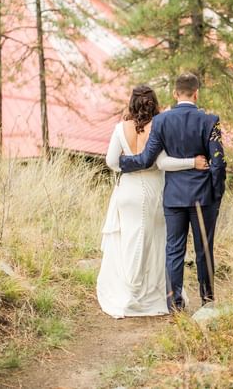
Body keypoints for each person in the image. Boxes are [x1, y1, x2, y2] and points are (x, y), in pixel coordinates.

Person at [97, 85, 209, 318]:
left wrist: (131, 164)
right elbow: (164, 163)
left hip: (127, 191)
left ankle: (128, 292)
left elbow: (111, 162)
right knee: (157, 242)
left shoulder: (120, 128)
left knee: (130, 239)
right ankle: (154, 296)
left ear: (132, 103)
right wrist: (192, 162)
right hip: (154, 191)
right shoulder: (159, 126)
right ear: (154, 103)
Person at [119, 73, 226, 311]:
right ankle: (207, 300)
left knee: (174, 249)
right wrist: (217, 194)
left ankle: (174, 303)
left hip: (174, 197)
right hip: (203, 197)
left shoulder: (161, 122)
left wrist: (123, 163)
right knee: (204, 250)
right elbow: (219, 163)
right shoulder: (210, 121)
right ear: (196, 93)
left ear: (176, 94)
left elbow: (148, 159)